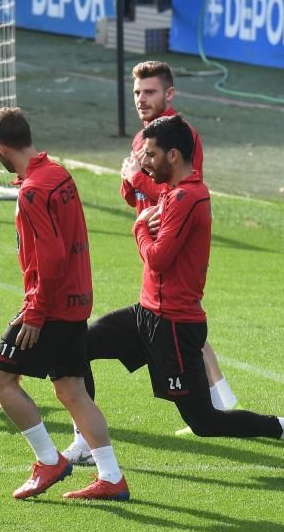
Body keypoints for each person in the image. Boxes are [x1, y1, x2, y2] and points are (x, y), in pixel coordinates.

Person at [84, 114, 284, 472]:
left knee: (204, 422)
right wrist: (136, 178)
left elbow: (159, 259)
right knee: (77, 347)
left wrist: (139, 227)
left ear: (174, 156)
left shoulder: (188, 198)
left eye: (150, 155)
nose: (145, 162)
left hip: (175, 326)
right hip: (146, 314)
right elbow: (156, 196)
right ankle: (86, 444)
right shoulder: (174, 191)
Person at [62, 60, 235, 453]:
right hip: (156, 263)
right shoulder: (143, 138)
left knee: (183, 330)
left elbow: (178, 196)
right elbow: (141, 198)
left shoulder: (179, 137)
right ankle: (219, 402)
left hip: (170, 256)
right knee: (182, 337)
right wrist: (131, 185)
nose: (142, 100)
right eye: (138, 92)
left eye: (150, 92)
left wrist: (137, 182)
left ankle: (220, 406)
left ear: (169, 94)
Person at [0, 108, 130, 501]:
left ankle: (49, 460)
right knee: (72, 391)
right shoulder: (58, 173)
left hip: (50, 307)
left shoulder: (33, 192)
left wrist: (36, 311)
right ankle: (111, 477)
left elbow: (51, 257)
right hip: (75, 304)